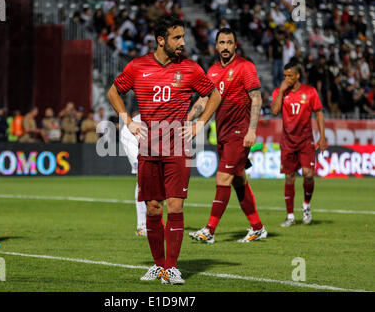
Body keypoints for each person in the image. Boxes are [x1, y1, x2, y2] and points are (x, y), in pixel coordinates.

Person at [108, 14, 221, 285]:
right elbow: (114, 91)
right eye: (176, 37)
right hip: (148, 148)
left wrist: (199, 124)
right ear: (161, 40)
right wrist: (128, 122)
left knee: (175, 205)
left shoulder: (191, 69)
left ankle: (172, 267)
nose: (182, 42)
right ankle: (158, 266)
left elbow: (215, 94)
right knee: (154, 209)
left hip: (178, 148)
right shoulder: (137, 66)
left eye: (183, 36)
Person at [189, 28, 267, 244]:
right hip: (223, 134)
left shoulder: (245, 67)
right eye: (221, 42)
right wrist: (188, 120)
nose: (225, 46)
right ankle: (258, 228)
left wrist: (252, 130)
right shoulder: (212, 71)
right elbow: (204, 100)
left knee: (222, 177)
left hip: (239, 133)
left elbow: (257, 98)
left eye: (229, 42)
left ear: (235, 45)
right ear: (216, 46)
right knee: (238, 181)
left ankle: (209, 230)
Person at [271, 62, 327, 227]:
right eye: (284, 76)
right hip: (288, 142)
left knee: (309, 174)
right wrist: (281, 91)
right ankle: (290, 216)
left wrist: (322, 136)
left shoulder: (310, 92)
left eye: (290, 75)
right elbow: (274, 111)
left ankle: (306, 206)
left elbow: (319, 113)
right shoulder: (278, 92)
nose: (287, 79)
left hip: (305, 141)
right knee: (289, 177)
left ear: (297, 76)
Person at [119, 112, 147, 236]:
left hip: (147, 135)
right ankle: (141, 225)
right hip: (131, 136)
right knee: (142, 176)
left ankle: (152, 221)